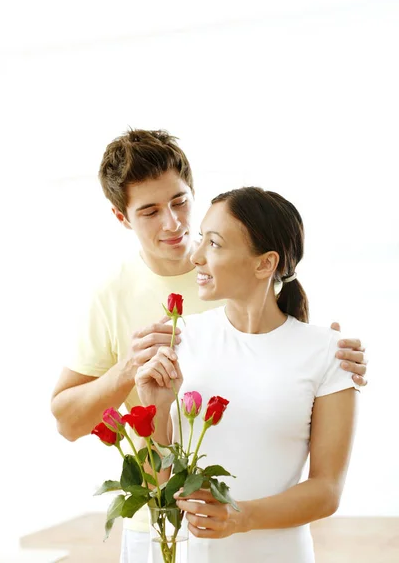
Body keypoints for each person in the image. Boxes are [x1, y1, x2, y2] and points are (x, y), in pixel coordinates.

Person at [50, 130, 367, 563]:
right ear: (122, 218)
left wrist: (334, 359)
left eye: (180, 202)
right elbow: (71, 423)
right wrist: (131, 373)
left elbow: (284, 374)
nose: (173, 224)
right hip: (163, 527)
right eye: (150, 211)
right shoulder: (126, 303)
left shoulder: (254, 275)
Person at [135, 186, 359, 562]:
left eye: (215, 244)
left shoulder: (328, 354)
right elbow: (158, 488)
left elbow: (326, 491)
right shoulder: (180, 340)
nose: (196, 256)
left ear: (264, 264)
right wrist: (155, 411)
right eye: (201, 239)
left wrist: (240, 516)